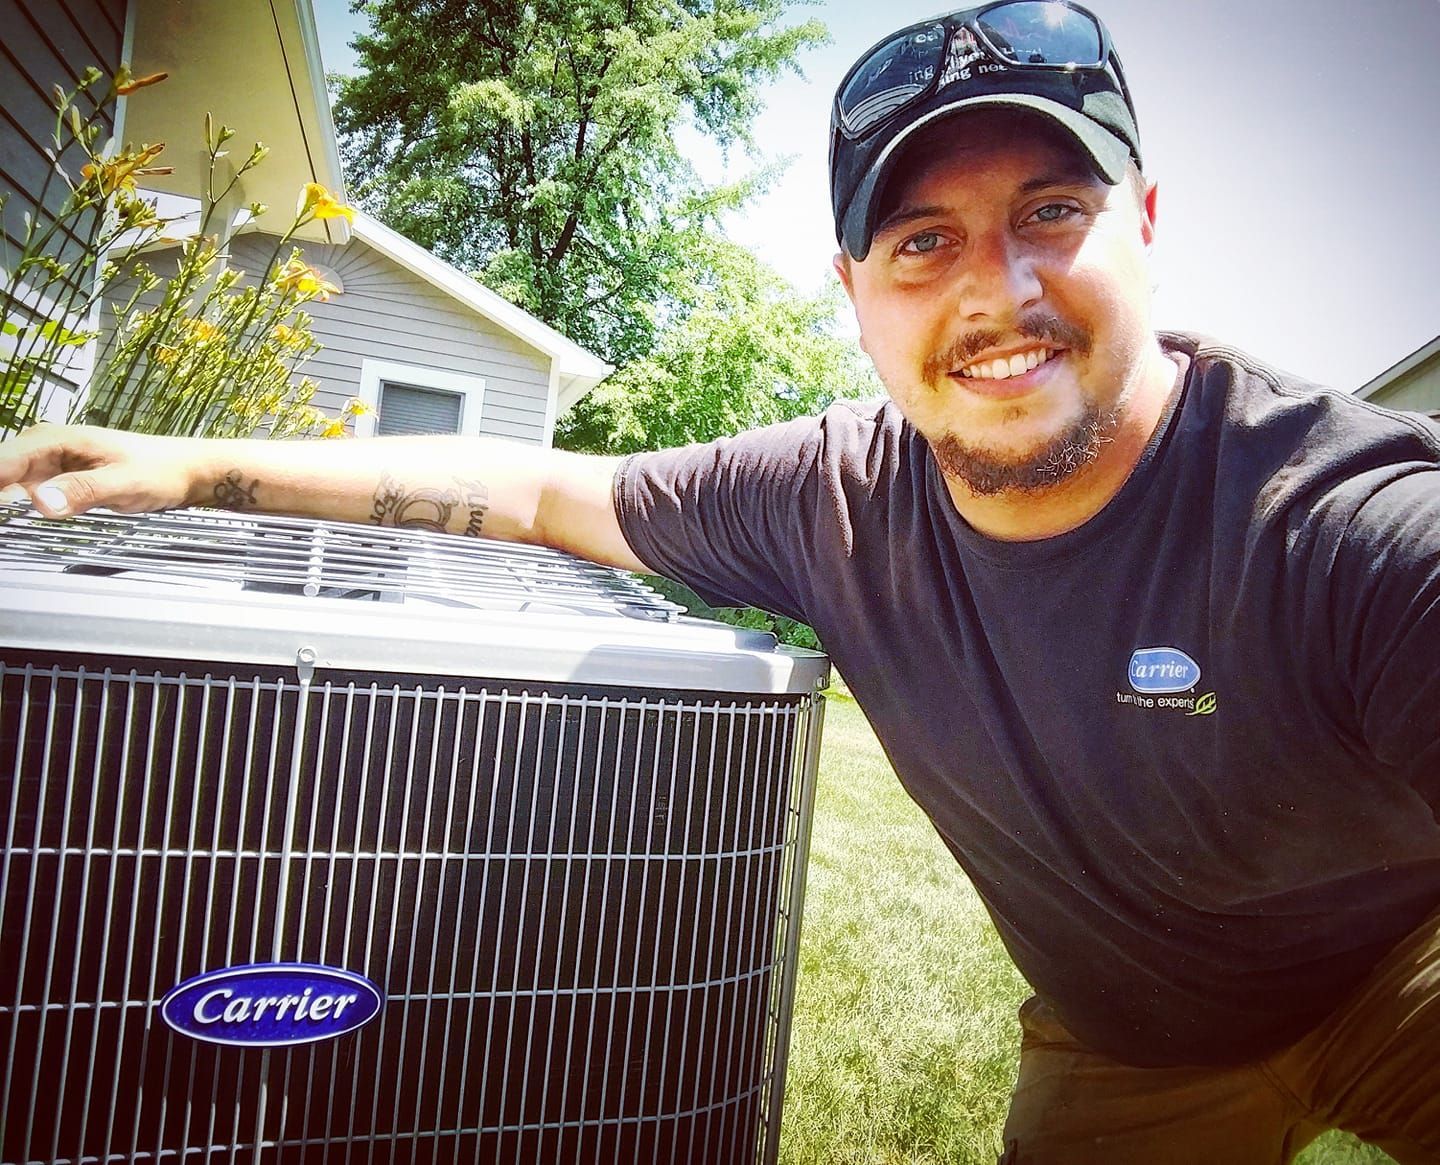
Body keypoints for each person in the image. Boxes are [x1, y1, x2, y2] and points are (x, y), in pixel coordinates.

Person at [2, 3, 1439, 1161]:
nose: (995, 289)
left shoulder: (1335, 520)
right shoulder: (826, 499)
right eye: (923, 241)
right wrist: (182, 466)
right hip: (1130, 1043)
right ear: (855, 287)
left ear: (1146, 219)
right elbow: (543, 489)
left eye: (1052, 208)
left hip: (1400, 972)